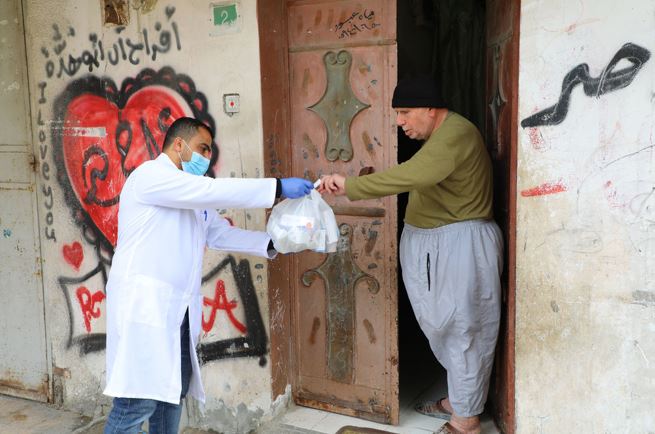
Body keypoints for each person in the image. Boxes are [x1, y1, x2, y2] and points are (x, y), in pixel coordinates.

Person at [103, 117, 313, 434]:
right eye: (202, 148)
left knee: (171, 394)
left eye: (210, 151)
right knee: (136, 404)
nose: (207, 157)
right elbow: (213, 190)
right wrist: (278, 187)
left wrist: (274, 243)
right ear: (178, 145)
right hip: (143, 307)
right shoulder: (151, 177)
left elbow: (219, 234)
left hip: (178, 311)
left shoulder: (191, 196)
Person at [319, 76, 503, 434]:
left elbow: (416, 174)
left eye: (405, 112)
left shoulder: (457, 134)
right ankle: (459, 399)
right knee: (446, 326)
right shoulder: (443, 134)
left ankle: (465, 423)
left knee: (463, 327)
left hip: (460, 246)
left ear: (431, 109)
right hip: (443, 244)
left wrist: (352, 186)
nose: (399, 121)